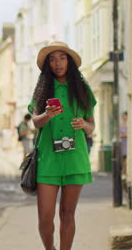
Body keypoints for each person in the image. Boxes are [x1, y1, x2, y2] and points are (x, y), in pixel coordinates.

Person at [28, 41, 97, 250]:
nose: (57, 63)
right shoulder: (42, 90)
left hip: (75, 158)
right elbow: (35, 122)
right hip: (48, 159)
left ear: (70, 62)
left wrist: (84, 124)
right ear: (48, 64)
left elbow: (92, 126)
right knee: (45, 218)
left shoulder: (82, 89)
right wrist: (47, 115)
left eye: (62, 57)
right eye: (52, 59)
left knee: (68, 214)